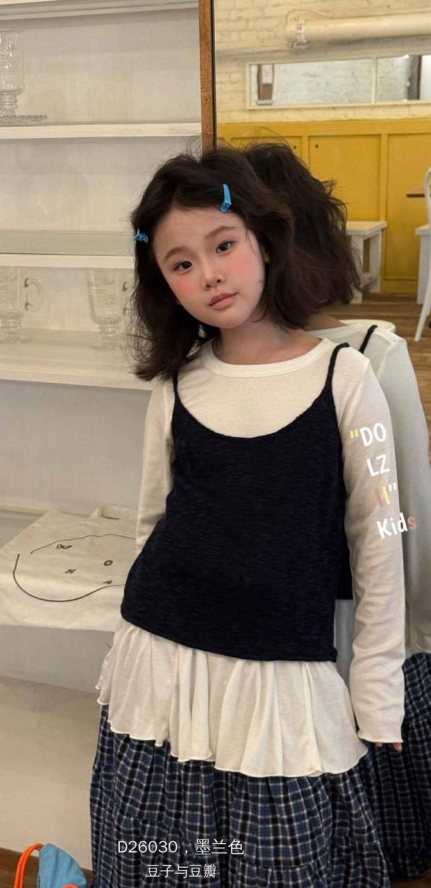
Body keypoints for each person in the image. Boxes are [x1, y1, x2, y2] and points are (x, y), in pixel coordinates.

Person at [90, 146, 406, 888]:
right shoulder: (175, 385)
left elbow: (379, 535)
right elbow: (151, 523)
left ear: (263, 241)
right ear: (165, 284)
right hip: (160, 659)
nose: (209, 274)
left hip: (283, 671)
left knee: (283, 862)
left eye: (223, 245)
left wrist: (377, 689)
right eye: (181, 263)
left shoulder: (348, 376)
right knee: (157, 859)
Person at [243, 139, 431, 881]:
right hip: (333, 630)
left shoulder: (366, 355)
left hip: (322, 631)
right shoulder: (370, 353)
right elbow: (408, 514)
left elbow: (399, 513)